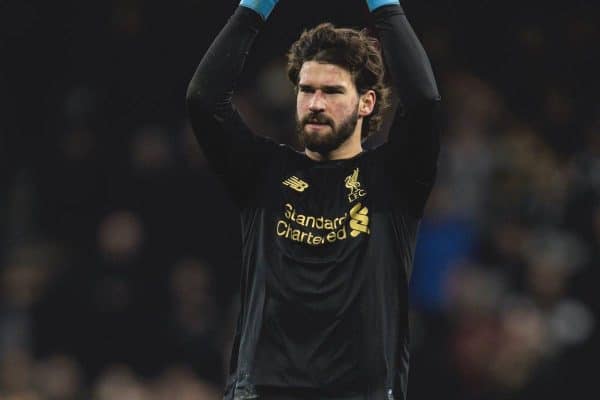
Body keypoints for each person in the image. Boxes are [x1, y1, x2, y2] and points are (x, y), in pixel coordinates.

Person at [186, 0, 441, 399]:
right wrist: (255, 6)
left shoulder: (394, 179)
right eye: (306, 90)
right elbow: (203, 99)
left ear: (366, 103)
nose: (315, 104)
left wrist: (385, 5)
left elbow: (424, 102)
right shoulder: (263, 173)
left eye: (332, 91)